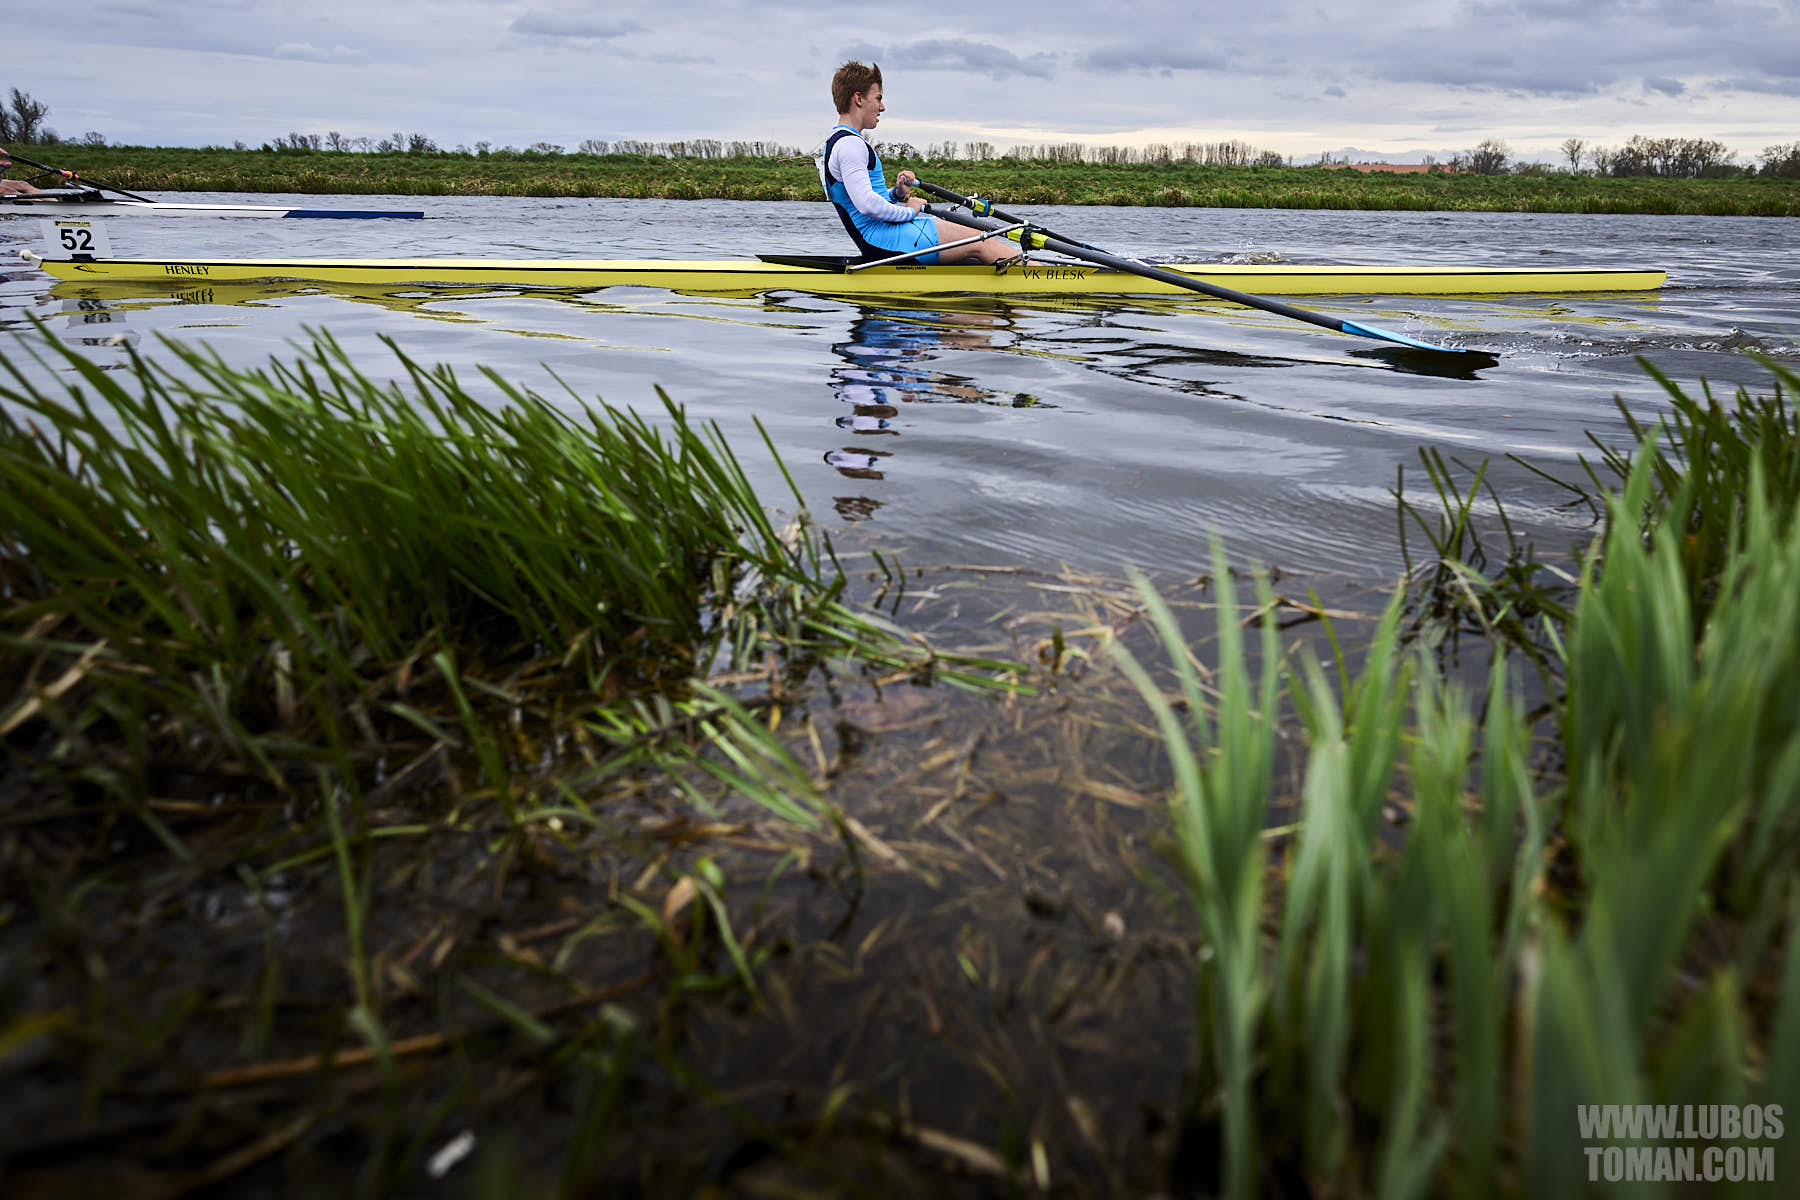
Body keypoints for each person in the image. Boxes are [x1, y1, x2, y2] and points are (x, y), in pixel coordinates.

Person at [821, 61, 1015, 265]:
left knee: (974, 255)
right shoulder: (850, 145)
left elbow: (858, 201)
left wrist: (896, 195)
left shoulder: (837, 142)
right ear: (859, 98)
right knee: (982, 241)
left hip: (884, 237)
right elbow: (867, 205)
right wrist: (909, 211)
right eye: (878, 98)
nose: (882, 107)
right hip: (888, 240)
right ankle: (1037, 276)